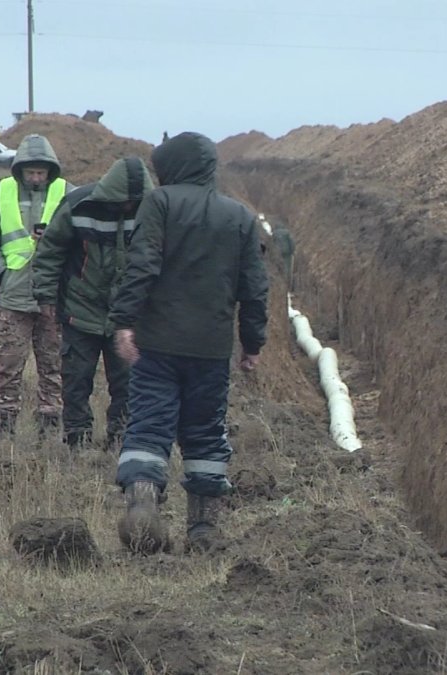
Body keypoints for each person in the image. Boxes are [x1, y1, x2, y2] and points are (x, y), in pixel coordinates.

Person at [109, 132, 269, 554]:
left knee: (148, 424)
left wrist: (124, 321)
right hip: (211, 349)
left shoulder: (159, 203)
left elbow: (142, 264)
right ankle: (203, 530)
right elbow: (254, 287)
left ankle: (143, 503)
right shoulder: (240, 216)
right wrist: (252, 343)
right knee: (205, 433)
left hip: (157, 343)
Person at [33, 156, 156, 451]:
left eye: (134, 201)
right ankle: (77, 438)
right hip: (79, 309)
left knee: (128, 382)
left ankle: (121, 437)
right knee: (75, 380)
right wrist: (46, 296)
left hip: (127, 316)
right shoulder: (78, 204)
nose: (128, 206)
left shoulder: (153, 211)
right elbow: (50, 252)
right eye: (123, 201)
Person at [0, 134, 71, 437]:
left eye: (42, 172)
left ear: (50, 170)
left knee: (53, 366)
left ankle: (50, 424)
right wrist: (0, 274)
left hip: (53, 296)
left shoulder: (67, 192)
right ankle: (5, 427)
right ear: (20, 170)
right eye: (31, 172)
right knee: (9, 366)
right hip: (13, 295)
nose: (37, 177)